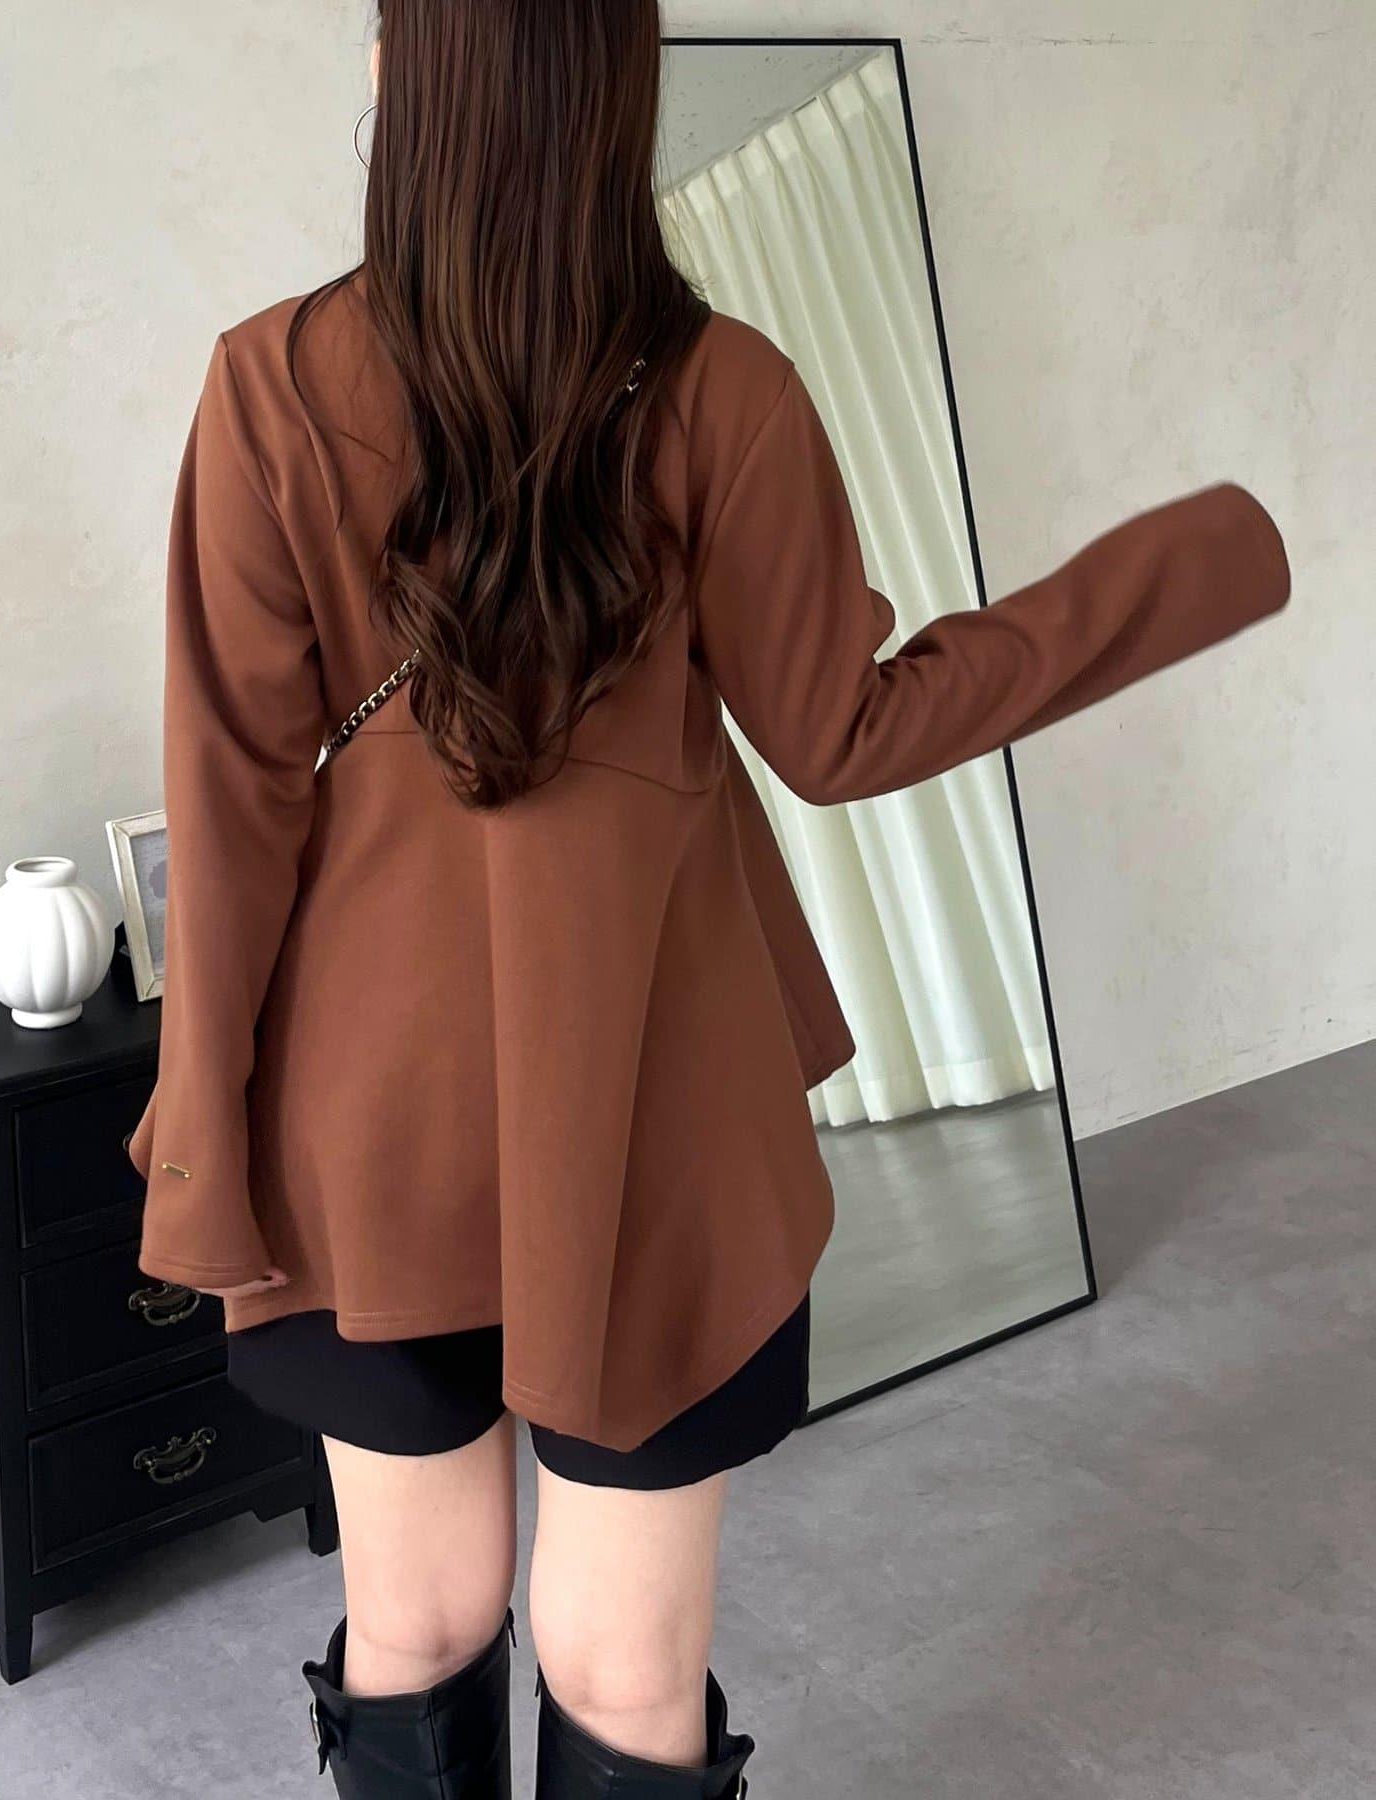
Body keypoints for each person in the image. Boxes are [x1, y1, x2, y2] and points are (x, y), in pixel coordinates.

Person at [124, 2, 1291, 1794]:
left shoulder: (267, 385)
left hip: (371, 1133)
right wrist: (1185, 567)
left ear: (399, 76)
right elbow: (844, 732)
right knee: (625, 1669)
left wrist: (207, 1130)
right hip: (648, 1115)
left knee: (414, 1624)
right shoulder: (721, 387)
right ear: (622, 85)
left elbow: (233, 816)